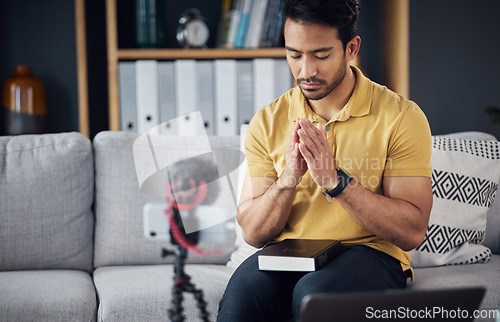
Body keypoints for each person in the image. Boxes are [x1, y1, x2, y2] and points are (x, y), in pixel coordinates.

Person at [217, 0, 433, 320]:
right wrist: (288, 179)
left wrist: (335, 182)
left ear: (351, 48)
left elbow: (412, 232)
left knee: (314, 295)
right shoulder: (267, 120)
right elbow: (253, 234)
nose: (306, 71)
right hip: (289, 252)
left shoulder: (401, 116)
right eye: (294, 55)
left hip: (371, 253)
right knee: (241, 299)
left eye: (321, 55)